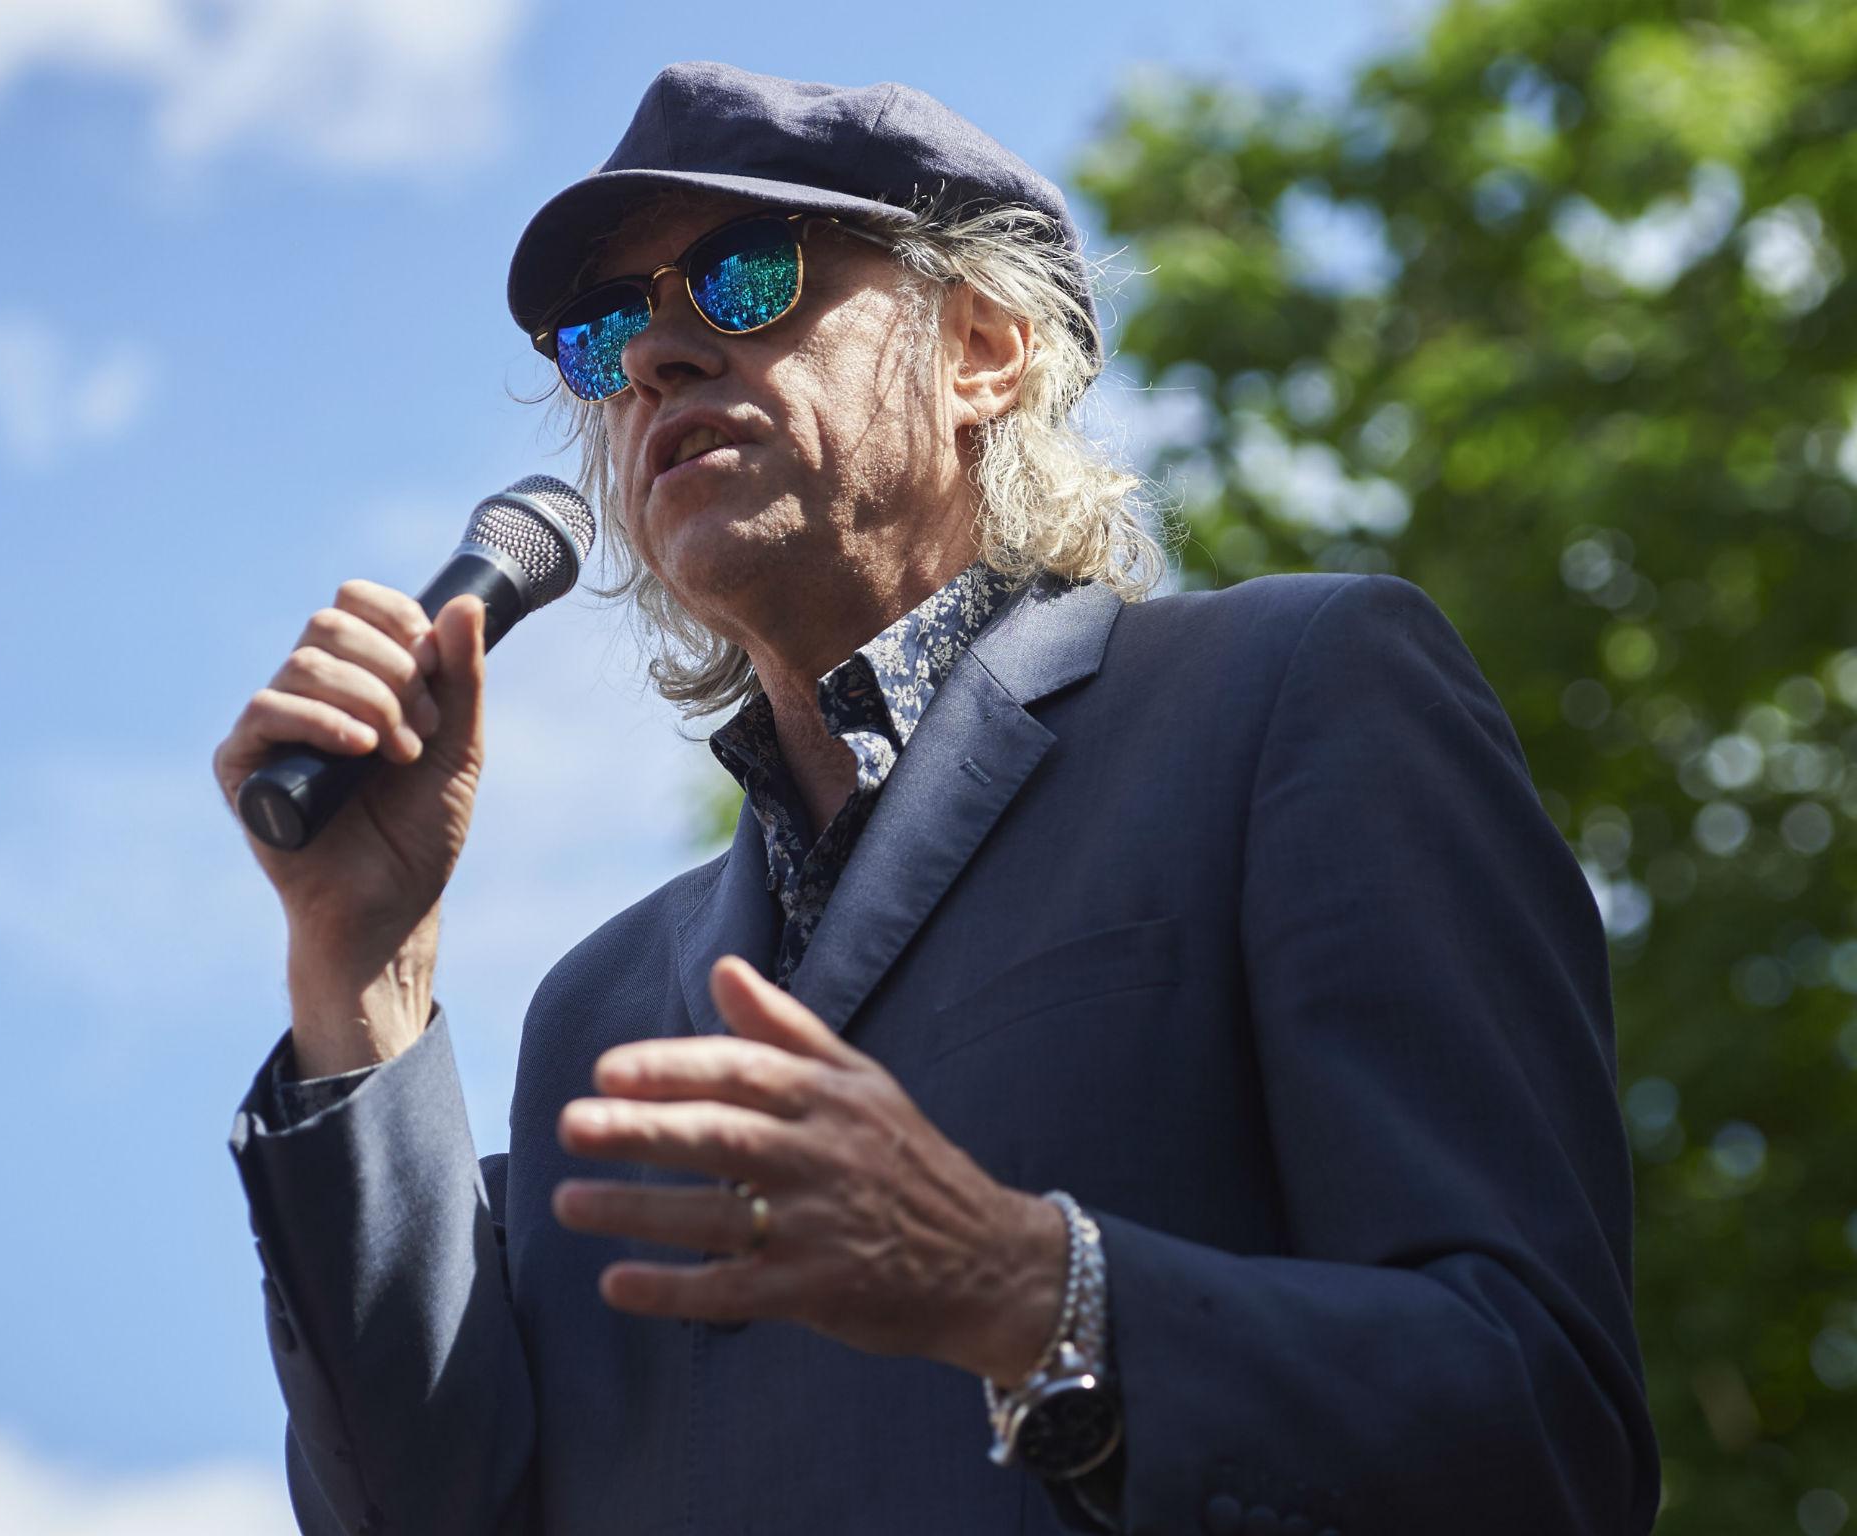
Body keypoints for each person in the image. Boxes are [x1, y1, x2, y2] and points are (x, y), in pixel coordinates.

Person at [215, 61, 1660, 1536]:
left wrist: (1033, 1292)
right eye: (608, 329)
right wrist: (362, 980)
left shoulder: (1294, 697)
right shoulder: (598, 1016)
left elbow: (1538, 1426)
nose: (658, 354)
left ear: (984, 346)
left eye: (744, 275)